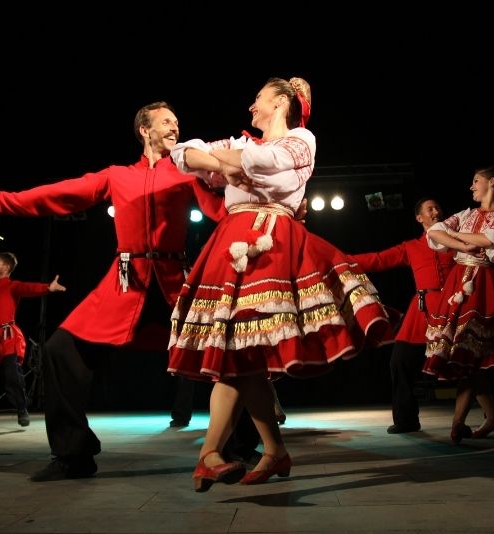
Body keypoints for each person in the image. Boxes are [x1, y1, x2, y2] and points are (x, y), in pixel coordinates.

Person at [0, 101, 228, 481]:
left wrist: (276, 213)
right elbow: (60, 193)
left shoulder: (187, 170)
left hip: (174, 282)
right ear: (144, 130)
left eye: (177, 121)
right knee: (60, 351)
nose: (175, 127)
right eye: (166, 122)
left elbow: (224, 209)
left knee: (224, 354)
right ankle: (73, 455)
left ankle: (240, 447)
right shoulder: (117, 176)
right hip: (126, 282)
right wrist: (0, 199)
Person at [168, 76, 394, 492]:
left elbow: (262, 165)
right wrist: (223, 161)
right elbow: (183, 155)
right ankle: (264, 451)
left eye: (258, 99)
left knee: (243, 349)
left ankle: (217, 454)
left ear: (280, 103)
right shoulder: (244, 143)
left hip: (271, 239)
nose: (251, 107)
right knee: (237, 351)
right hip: (230, 240)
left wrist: (221, 162)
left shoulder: (301, 140)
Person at [351, 198, 494, 434]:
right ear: (419, 217)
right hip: (422, 311)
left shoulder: (457, 241)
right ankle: (406, 420)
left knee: (484, 361)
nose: (436, 211)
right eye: (429, 209)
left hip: (457, 307)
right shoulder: (410, 247)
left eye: (438, 208)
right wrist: (340, 260)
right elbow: (378, 259)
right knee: (399, 362)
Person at [422, 164, 494, 443]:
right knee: (465, 355)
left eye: (476, 181)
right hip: (459, 282)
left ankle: (475, 419)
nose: (471, 187)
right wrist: (463, 244)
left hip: (484, 285)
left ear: (491, 183)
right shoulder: (466, 214)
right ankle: (482, 418)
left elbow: (490, 240)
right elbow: (435, 232)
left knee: (471, 353)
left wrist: (457, 238)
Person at [0, 252, 66, 427]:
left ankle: (21, 408)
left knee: (11, 373)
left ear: (6, 267)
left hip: (6, 337)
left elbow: (28, 288)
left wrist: (48, 287)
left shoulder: (12, 286)